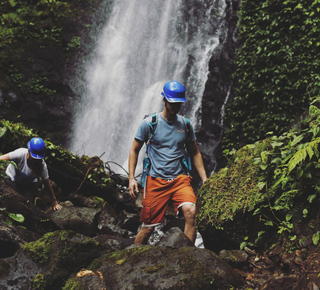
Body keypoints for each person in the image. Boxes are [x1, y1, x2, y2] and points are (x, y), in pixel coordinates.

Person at [129, 81, 207, 244]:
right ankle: (132, 256)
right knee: (148, 227)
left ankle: (187, 257)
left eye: (178, 103)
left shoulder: (185, 125)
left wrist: (205, 179)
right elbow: (134, 149)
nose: (175, 106)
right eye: (172, 103)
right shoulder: (150, 123)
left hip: (180, 180)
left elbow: (195, 152)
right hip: (155, 180)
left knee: (191, 212)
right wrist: (131, 178)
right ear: (164, 100)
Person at [0, 137, 62, 211]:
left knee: (27, 205)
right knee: (13, 197)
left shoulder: (42, 165)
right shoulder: (20, 153)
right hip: (12, 179)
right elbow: (1, 158)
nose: (35, 161)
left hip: (28, 185)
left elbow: (47, 184)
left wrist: (54, 201)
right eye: (34, 158)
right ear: (28, 151)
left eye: (37, 159)